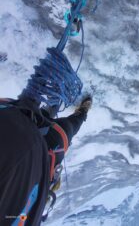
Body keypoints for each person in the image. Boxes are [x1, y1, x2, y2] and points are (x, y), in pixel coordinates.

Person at [0, 95, 92, 226]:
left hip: (44, 156)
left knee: (64, 126)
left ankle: (69, 109)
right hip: (44, 152)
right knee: (63, 125)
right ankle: (74, 110)